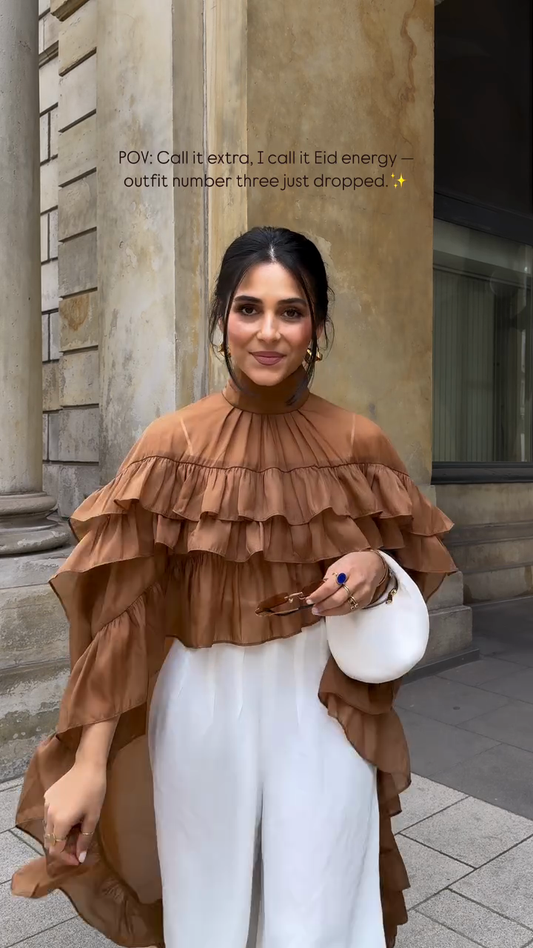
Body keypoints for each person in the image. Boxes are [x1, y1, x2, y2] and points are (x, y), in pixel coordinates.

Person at [12, 226, 456, 948]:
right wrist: (90, 762)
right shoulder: (171, 444)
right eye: (249, 308)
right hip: (200, 708)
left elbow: (408, 564)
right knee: (207, 915)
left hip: (324, 709)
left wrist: (377, 568)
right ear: (221, 316)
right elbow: (127, 617)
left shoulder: (360, 443)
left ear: (317, 326)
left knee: (317, 909)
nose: (268, 332)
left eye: (291, 311)